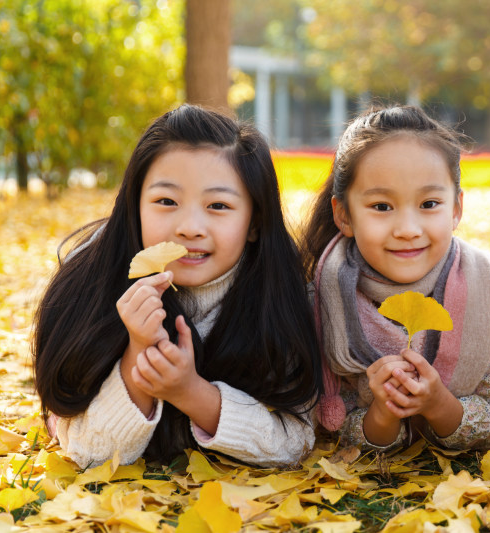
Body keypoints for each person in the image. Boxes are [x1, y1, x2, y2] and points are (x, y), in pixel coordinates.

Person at [33, 105, 322, 467]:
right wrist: (139, 350)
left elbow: (293, 442)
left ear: (254, 222)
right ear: (133, 207)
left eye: (218, 205)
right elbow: (91, 452)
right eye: (166, 201)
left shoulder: (278, 294)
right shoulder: (91, 283)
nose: (189, 227)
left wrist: (190, 393)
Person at [302, 105, 490, 451]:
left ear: (456, 209)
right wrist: (383, 413)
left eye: (429, 204)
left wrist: (438, 404)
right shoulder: (322, 305)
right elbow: (336, 425)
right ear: (343, 215)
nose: (407, 230)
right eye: (382, 207)